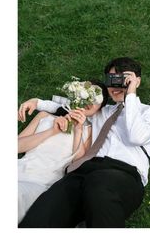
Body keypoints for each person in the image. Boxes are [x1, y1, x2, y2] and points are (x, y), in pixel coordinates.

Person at [18, 57, 150, 228]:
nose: (117, 85)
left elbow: (137, 136)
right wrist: (37, 102)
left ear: (136, 81)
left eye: (124, 79)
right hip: (83, 171)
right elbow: (70, 106)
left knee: (100, 187)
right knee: (43, 212)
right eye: (112, 79)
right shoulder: (102, 111)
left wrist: (130, 94)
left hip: (123, 174)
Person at [18, 81, 108, 223]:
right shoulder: (44, 116)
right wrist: (52, 131)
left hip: (43, 182)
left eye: (96, 98)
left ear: (99, 110)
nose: (89, 100)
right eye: (88, 93)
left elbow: (77, 166)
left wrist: (78, 131)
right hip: (21, 168)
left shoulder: (88, 131)